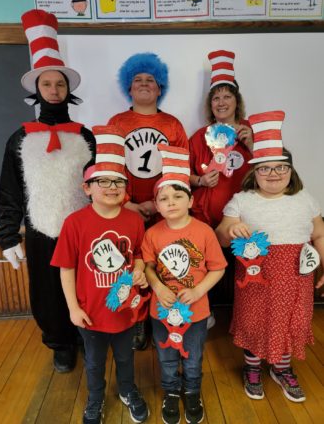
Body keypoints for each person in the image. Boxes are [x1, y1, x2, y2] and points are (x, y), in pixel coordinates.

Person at [0, 9, 95, 372]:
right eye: (47, 84)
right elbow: (9, 190)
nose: (54, 90)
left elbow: (99, 183)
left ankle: (87, 333)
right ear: (37, 90)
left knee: (87, 284)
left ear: (69, 90)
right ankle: (60, 342)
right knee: (47, 290)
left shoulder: (85, 137)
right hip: (41, 230)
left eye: (60, 84)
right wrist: (8, 235)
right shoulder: (20, 139)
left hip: (84, 229)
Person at [215, 111, 324, 403]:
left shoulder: (305, 199)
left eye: (280, 168)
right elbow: (220, 235)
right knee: (254, 321)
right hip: (255, 279)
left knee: (289, 321)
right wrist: (232, 229)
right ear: (254, 172)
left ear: (291, 171)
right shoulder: (243, 200)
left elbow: (319, 234)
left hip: (295, 277)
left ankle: (282, 368)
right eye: (265, 169)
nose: (273, 174)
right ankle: (252, 369)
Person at [51, 125, 149, 424]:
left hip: (123, 309)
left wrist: (141, 271)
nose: (111, 186)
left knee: (125, 357)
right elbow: (66, 267)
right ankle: (95, 399)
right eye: (102, 181)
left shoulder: (134, 220)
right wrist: (73, 308)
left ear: (125, 187)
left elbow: (139, 256)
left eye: (118, 181)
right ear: (87, 187)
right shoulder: (75, 223)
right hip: (90, 312)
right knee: (93, 362)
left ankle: (128, 390)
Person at [108, 52, 189, 350]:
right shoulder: (117, 122)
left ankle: (165, 317)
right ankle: (137, 320)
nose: (143, 84)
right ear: (128, 89)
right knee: (131, 264)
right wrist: (127, 202)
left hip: (163, 209)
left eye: (150, 80)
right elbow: (110, 165)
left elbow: (181, 169)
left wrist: (161, 203)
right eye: (137, 80)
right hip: (125, 208)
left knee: (165, 262)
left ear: (160, 88)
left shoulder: (173, 125)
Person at [142, 144, 227, 424]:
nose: (171, 202)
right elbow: (149, 266)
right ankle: (171, 392)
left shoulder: (203, 232)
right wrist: (158, 287)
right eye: (164, 198)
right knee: (166, 355)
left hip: (197, 311)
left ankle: (191, 391)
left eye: (178, 196)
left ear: (190, 201)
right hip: (162, 310)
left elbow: (218, 268)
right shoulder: (152, 234)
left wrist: (199, 290)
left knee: (193, 356)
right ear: (157, 205)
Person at [189, 50, 253, 317]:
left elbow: (277, 169)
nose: (221, 102)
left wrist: (252, 143)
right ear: (210, 105)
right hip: (207, 219)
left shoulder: (253, 130)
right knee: (208, 267)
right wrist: (201, 179)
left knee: (248, 268)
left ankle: (249, 316)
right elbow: (182, 176)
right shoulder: (199, 137)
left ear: (237, 102)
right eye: (216, 97)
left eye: (227, 96)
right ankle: (207, 313)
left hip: (245, 219)